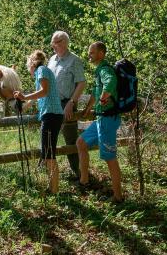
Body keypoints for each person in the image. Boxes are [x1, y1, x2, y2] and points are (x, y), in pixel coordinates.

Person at [76, 42, 123, 203]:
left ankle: (118, 196)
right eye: (89, 52)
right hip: (101, 118)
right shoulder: (98, 71)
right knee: (81, 142)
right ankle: (84, 181)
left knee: (110, 157)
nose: (89, 55)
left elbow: (110, 83)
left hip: (108, 120)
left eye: (92, 52)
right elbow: (96, 93)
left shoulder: (105, 70)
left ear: (101, 54)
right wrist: (89, 108)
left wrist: (104, 97)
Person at [14, 50, 64, 194]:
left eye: (28, 65)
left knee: (49, 154)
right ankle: (52, 188)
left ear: (32, 63)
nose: (28, 68)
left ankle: (54, 190)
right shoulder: (44, 71)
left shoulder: (41, 70)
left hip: (51, 115)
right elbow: (37, 96)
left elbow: (44, 91)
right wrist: (24, 107)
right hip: (53, 115)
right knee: (48, 153)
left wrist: (23, 97)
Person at [47, 31, 86, 180]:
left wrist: (71, 102)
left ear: (65, 42)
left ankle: (79, 173)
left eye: (56, 42)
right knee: (49, 137)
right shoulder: (51, 60)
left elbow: (81, 83)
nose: (54, 46)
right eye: (52, 43)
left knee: (70, 139)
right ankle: (50, 173)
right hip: (51, 104)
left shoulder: (74, 60)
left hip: (66, 103)